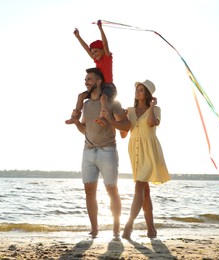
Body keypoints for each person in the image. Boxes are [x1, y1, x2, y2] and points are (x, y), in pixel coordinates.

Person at [71, 68, 131, 239]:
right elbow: (85, 129)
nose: (86, 82)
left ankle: (116, 230)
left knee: (112, 190)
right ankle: (94, 229)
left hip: (108, 151)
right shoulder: (86, 104)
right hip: (88, 151)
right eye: (85, 79)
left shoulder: (113, 104)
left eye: (89, 79)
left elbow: (127, 126)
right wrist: (76, 122)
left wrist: (110, 122)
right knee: (89, 191)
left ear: (98, 82)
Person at [118, 80, 170, 240]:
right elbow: (123, 134)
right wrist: (119, 118)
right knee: (145, 192)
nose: (137, 92)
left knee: (139, 186)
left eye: (141, 90)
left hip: (150, 150)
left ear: (148, 94)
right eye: (137, 89)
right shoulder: (130, 111)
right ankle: (151, 229)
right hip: (135, 151)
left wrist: (152, 107)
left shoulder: (156, 110)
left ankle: (129, 225)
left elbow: (151, 123)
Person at [65, 20, 117, 126]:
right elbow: (86, 49)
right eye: (92, 52)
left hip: (108, 87)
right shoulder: (96, 60)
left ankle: (103, 117)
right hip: (98, 87)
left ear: (102, 50)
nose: (94, 54)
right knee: (80, 96)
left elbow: (105, 44)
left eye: (96, 51)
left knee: (103, 98)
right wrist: (78, 37)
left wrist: (100, 28)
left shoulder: (107, 57)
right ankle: (74, 117)